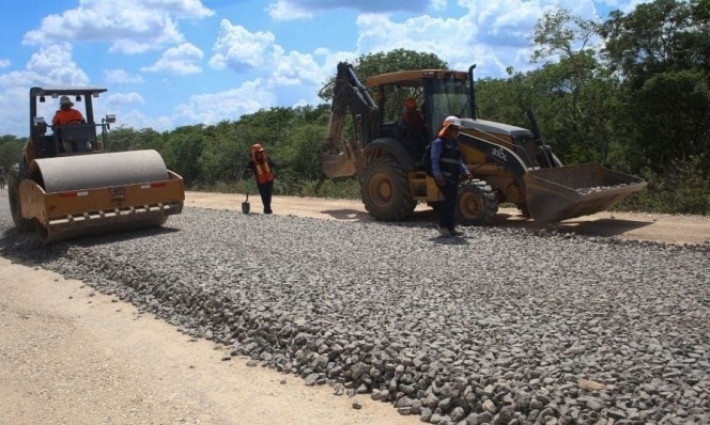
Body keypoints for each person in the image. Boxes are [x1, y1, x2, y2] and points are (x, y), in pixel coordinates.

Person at [430, 116, 473, 237]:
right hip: (443, 178)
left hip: (453, 177)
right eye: (456, 129)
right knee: (448, 201)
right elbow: (434, 160)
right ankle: (442, 226)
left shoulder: (454, 144)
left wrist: (465, 171)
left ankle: (450, 227)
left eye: (458, 129)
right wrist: (438, 176)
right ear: (448, 129)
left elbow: (458, 161)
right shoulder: (438, 143)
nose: (458, 132)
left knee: (453, 201)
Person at [243, 143, 277, 214]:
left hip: (269, 181)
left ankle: (267, 209)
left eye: (261, 152)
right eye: (258, 152)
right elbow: (245, 174)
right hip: (261, 182)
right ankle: (267, 210)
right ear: (255, 153)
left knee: (268, 195)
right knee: (264, 196)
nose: (260, 154)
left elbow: (274, 164)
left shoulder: (267, 159)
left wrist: (273, 165)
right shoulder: (252, 162)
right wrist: (248, 172)